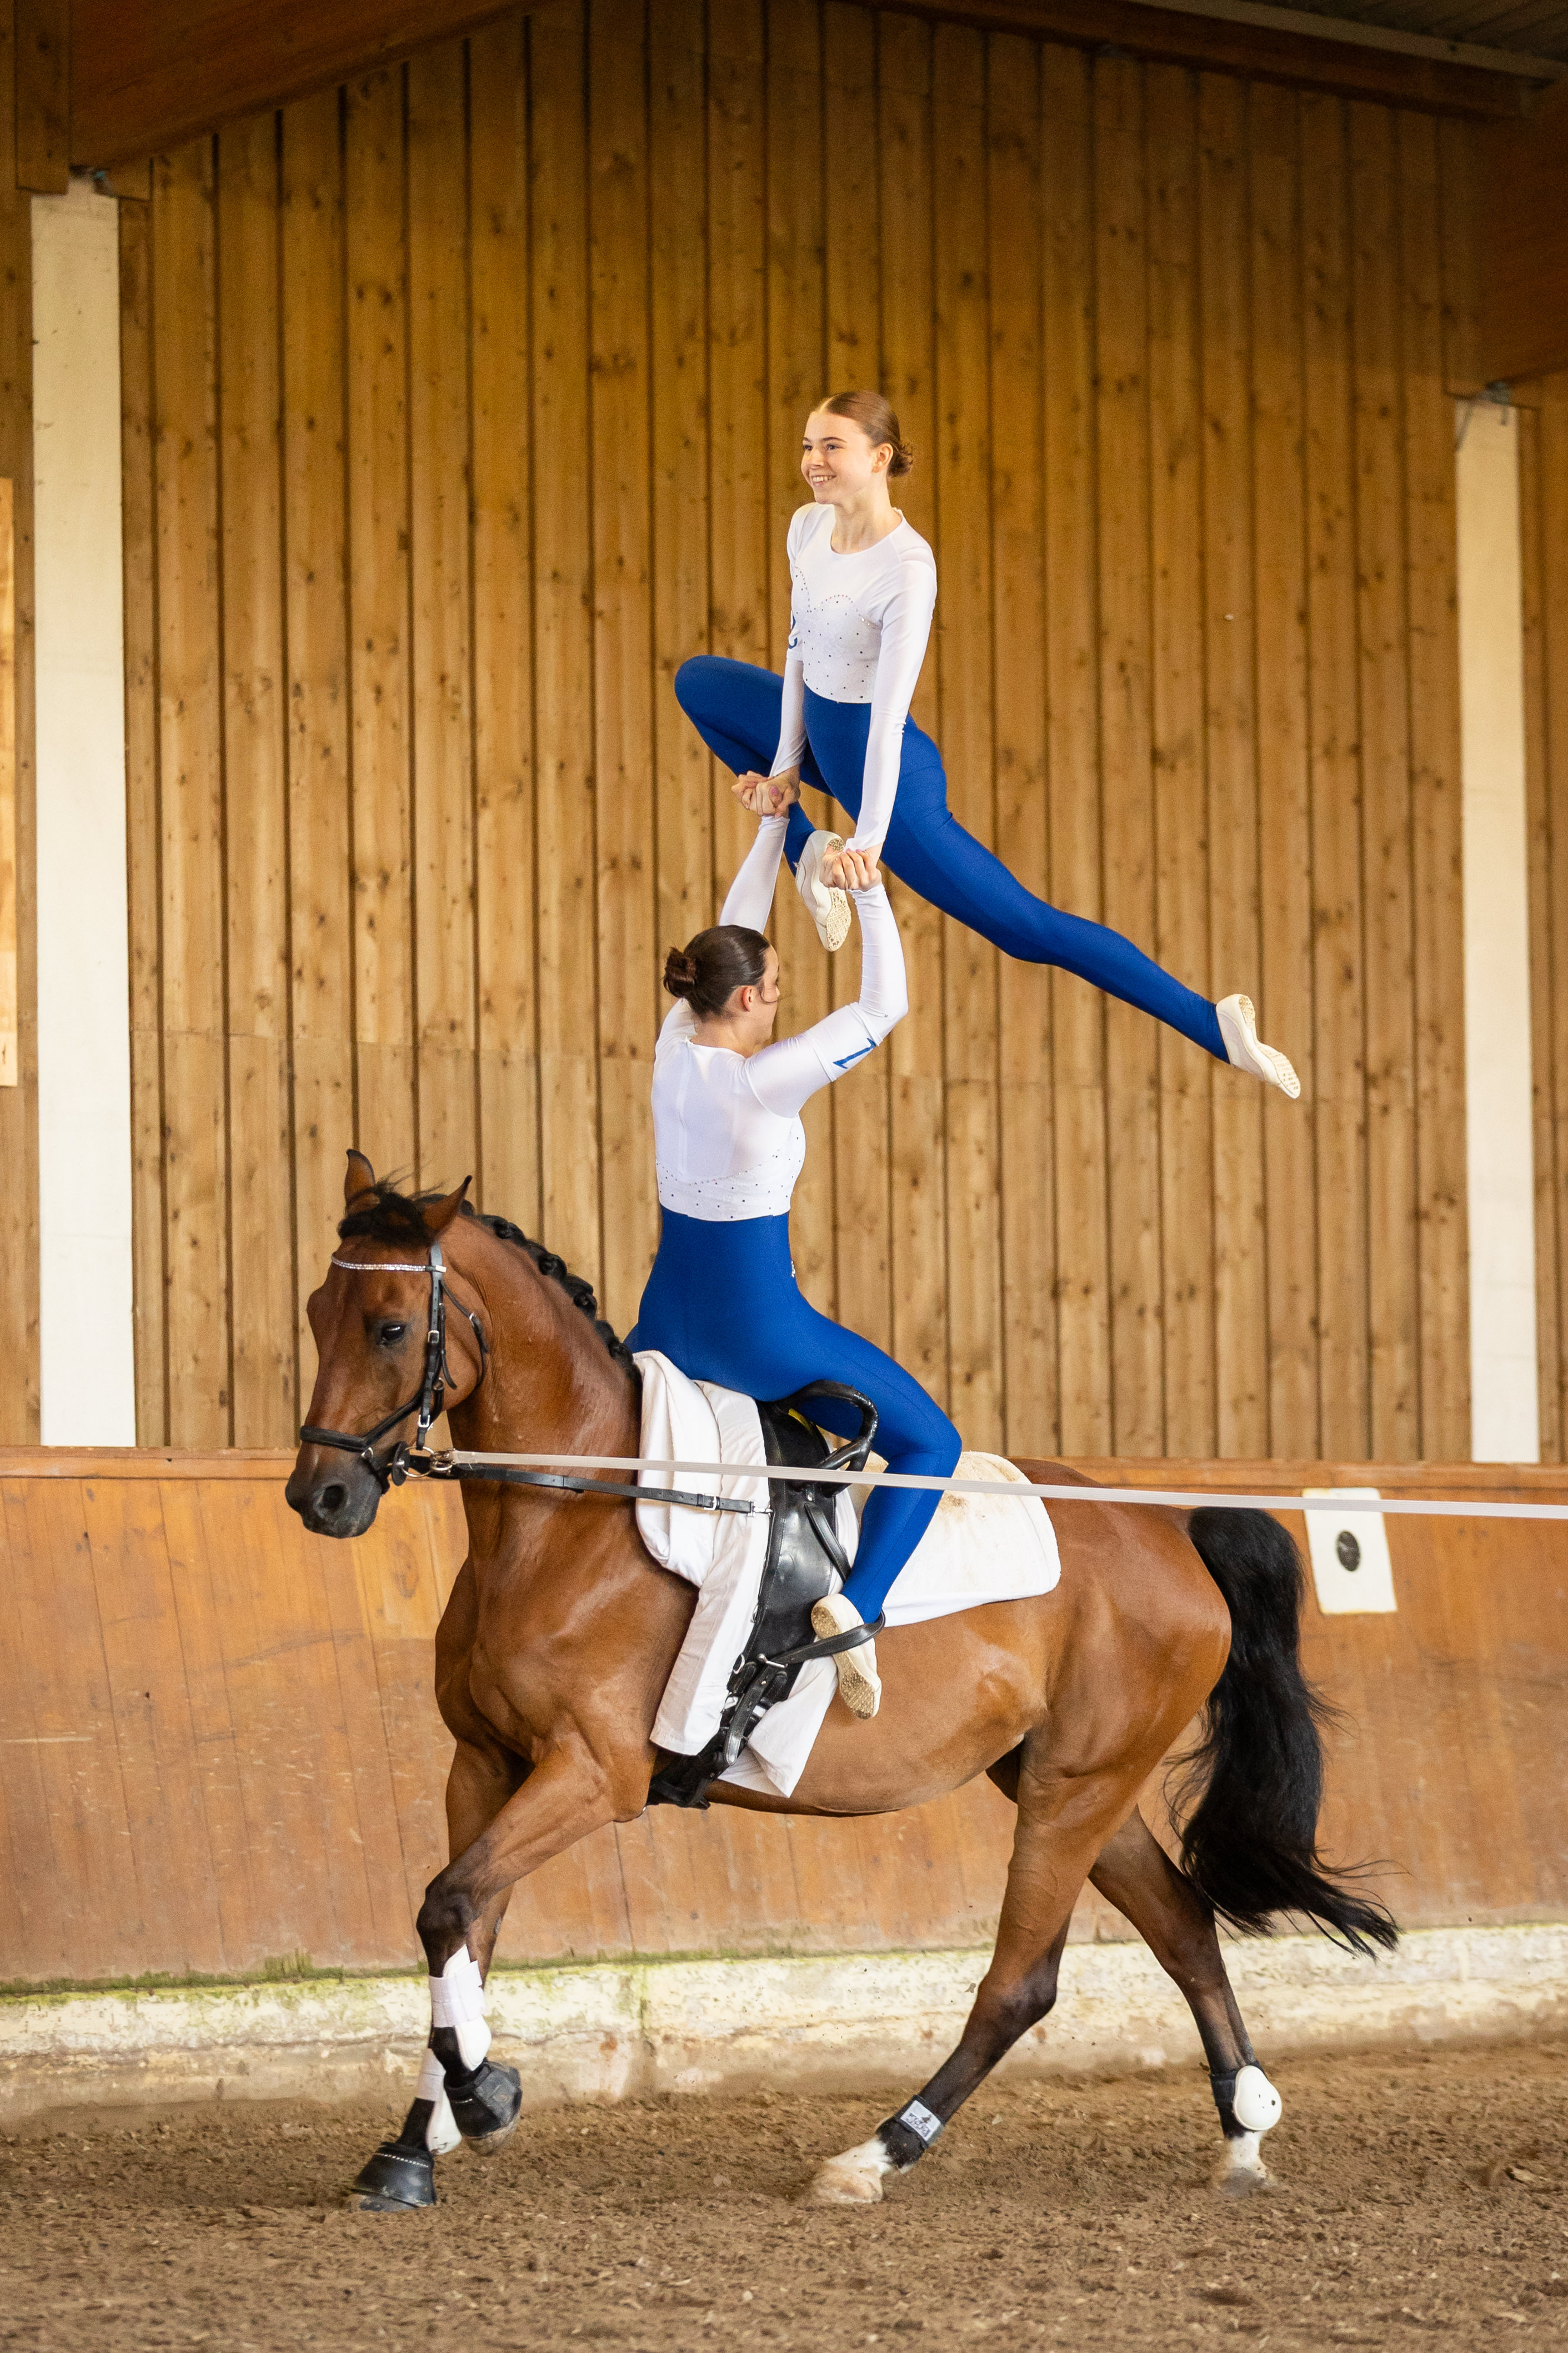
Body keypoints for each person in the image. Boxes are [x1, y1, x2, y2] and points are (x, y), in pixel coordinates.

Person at [674, 389, 1299, 1096]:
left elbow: (886, 718)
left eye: (831, 447)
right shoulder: (806, 528)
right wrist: (784, 772)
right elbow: (798, 649)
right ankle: (806, 849)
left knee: (1025, 929)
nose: (813, 462)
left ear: (880, 458)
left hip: (889, 774)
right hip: (820, 732)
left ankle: (1212, 1023)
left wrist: (870, 840)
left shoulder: (908, 567)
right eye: (808, 445)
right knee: (699, 683)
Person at [627, 807, 959, 1722]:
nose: (778, 998)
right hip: (759, 1339)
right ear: (742, 1001)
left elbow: (731, 934)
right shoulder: (764, 1081)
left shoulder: (671, 1045)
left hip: (661, 1325)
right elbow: (881, 1008)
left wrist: (773, 828)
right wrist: (872, 896)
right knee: (933, 1444)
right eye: (773, 988)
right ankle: (855, 1609)